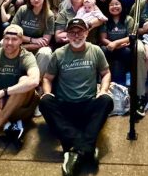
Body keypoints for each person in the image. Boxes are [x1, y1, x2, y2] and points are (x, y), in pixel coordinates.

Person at [39, 18, 113, 176]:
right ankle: (86, 147)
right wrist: (47, 91)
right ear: (67, 34)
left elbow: (105, 73)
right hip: (65, 106)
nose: (76, 35)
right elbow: (47, 78)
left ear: (87, 33)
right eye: (72, 32)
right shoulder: (58, 54)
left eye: (80, 31)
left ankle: (73, 150)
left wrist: (104, 89)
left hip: (88, 104)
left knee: (106, 100)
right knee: (44, 101)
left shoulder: (96, 50)